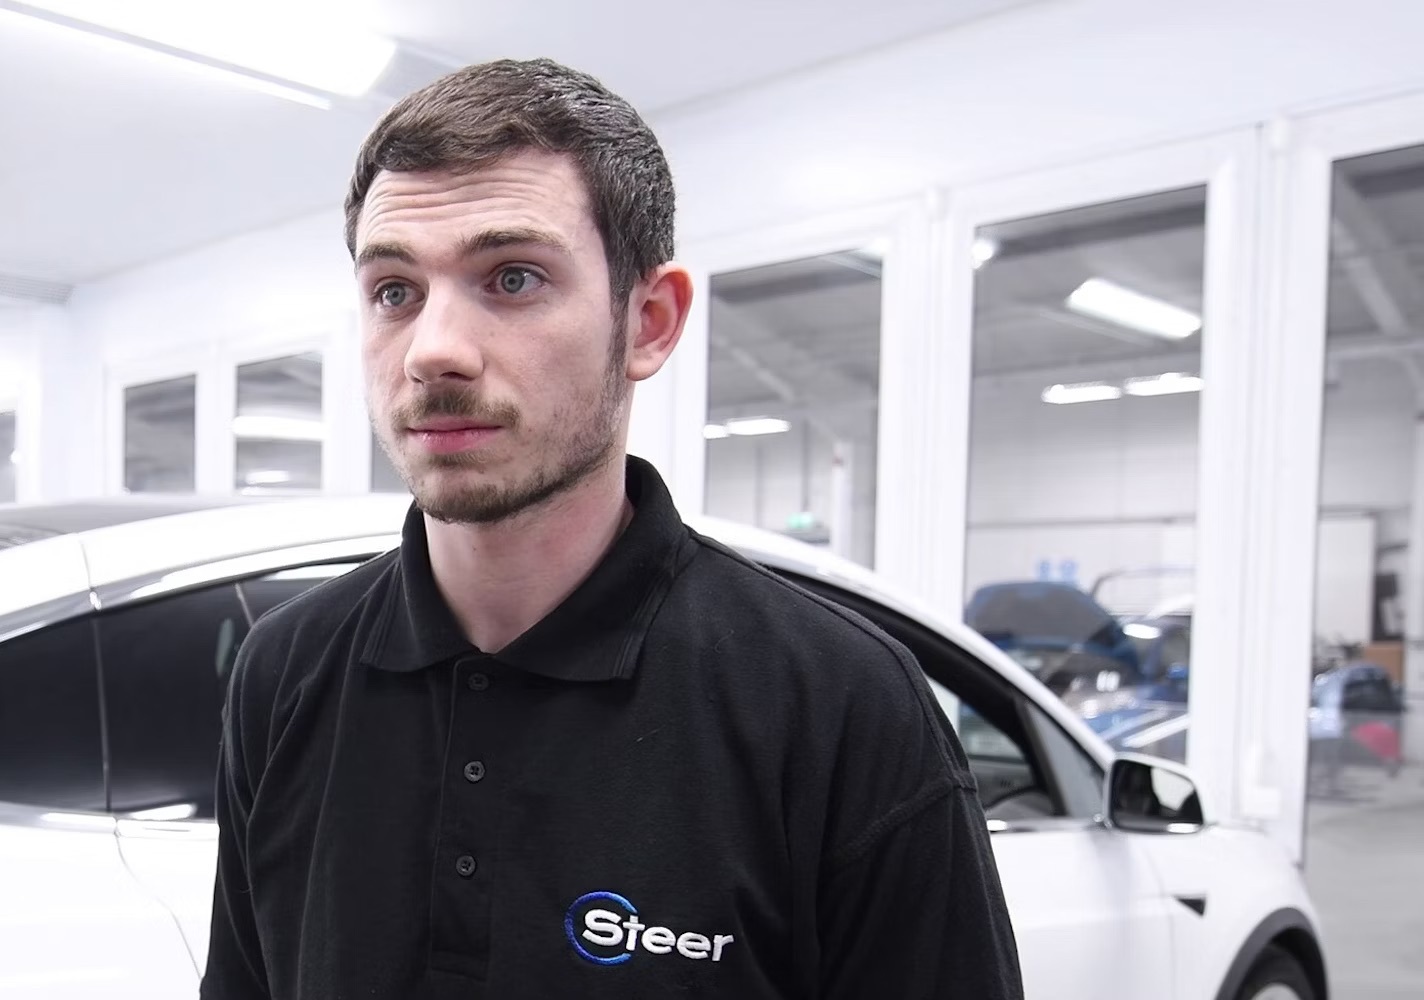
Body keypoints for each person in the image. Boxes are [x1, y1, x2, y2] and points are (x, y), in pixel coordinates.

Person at [201, 59, 1023, 999]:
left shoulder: (836, 705)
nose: (433, 349)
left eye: (511, 278)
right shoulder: (286, 672)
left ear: (649, 322)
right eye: (395, 290)